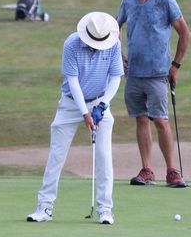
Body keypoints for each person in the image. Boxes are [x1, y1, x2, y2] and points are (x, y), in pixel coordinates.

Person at [27, 12, 123, 225]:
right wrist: (85, 113)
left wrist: (102, 105)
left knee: (104, 156)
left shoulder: (114, 44)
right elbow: (73, 82)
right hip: (70, 104)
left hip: (100, 102)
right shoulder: (71, 43)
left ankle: (105, 209)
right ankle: (44, 207)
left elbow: (115, 78)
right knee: (56, 155)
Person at [117, 0, 191, 188]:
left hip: (158, 72)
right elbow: (115, 27)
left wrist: (175, 66)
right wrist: (119, 53)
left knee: (160, 119)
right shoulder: (128, 1)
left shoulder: (165, 0)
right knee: (141, 119)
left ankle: (172, 170)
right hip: (133, 73)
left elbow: (185, 33)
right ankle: (147, 170)